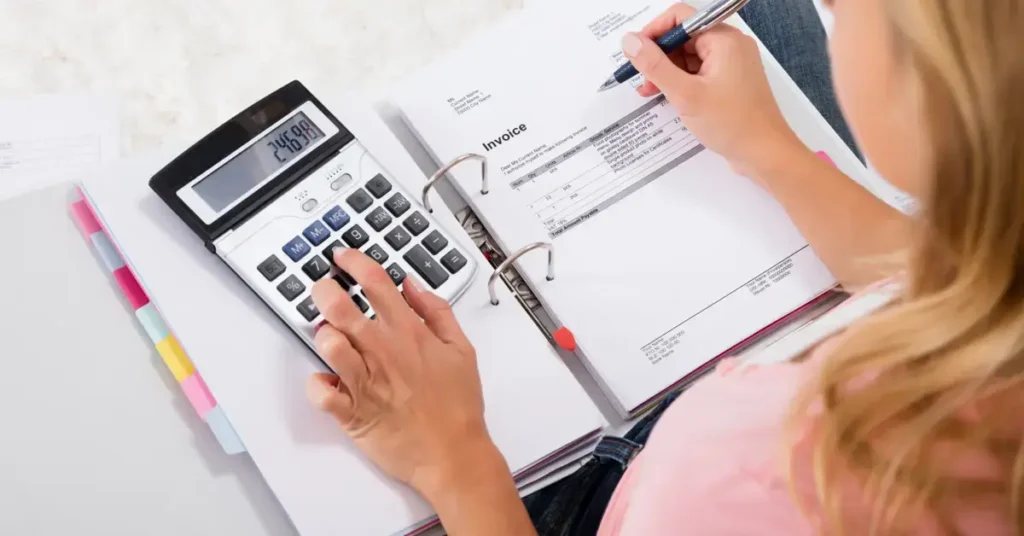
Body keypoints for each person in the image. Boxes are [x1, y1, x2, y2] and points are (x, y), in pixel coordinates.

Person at [304, 0, 1024, 533]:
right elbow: (966, 293)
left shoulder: (759, 459)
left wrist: (451, 460)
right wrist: (768, 149)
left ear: (954, 85)